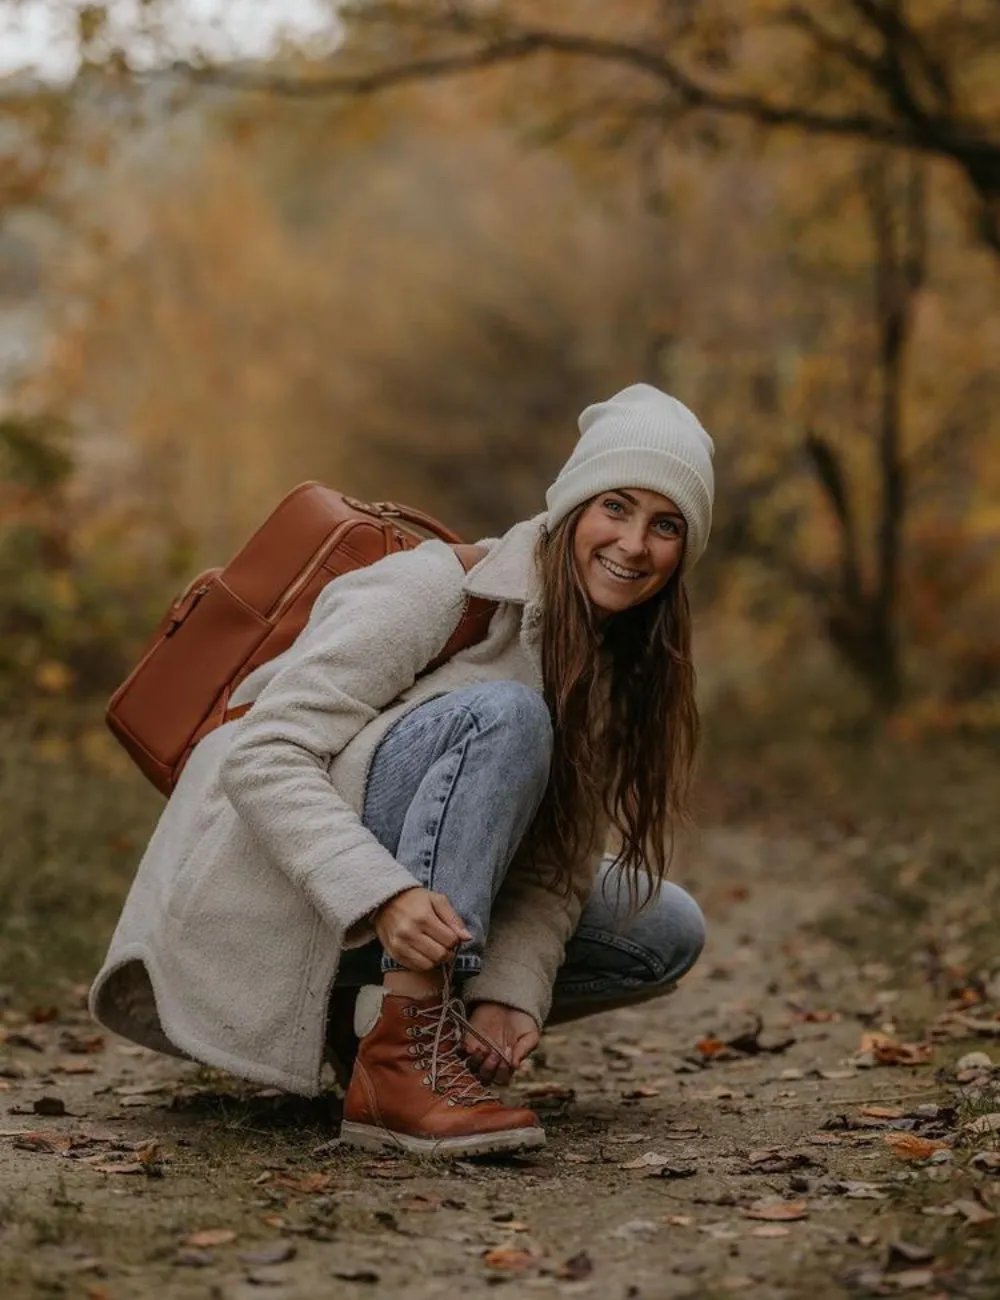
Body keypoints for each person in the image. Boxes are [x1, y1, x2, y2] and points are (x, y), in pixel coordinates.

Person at [90, 382, 714, 1159]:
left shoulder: (617, 668)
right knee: (508, 716)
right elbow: (264, 753)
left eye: (665, 526)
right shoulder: (440, 587)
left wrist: (512, 996)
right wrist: (380, 894)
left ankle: (379, 1026)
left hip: (398, 899)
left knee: (661, 926)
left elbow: (557, 866)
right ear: (572, 509)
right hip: (285, 878)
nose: (633, 544)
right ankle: (400, 1058)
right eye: (614, 507)